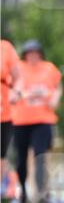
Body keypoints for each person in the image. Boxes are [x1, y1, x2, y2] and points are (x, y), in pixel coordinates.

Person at [11, 40, 62, 203]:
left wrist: (55, 98)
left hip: (43, 119)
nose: (33, 56)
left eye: (36, 53)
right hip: (21, 119)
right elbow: (9, 88)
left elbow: (58, 87)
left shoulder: (49, 68)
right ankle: (23, 191)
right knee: (21, 158)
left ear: (40, 54)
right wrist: (17, 95)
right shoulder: (18, 68)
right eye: (29, 53)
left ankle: (41, 193)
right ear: (25, 55)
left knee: (40, 155)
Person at [1, 39, 21, 189]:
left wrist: (16, 91)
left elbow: (18, 77)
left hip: (4, 109)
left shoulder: (5, 47)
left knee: (1, 154)